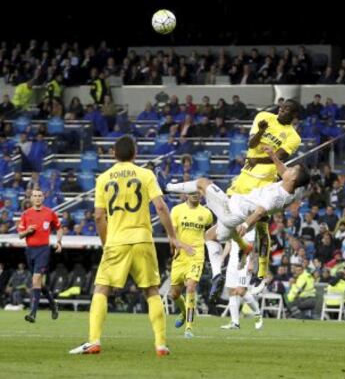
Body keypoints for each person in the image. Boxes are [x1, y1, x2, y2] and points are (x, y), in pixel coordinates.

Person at [69, 135, 193, 356]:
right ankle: (161, 344)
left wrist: (106, 243)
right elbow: (161, 207)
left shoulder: (103, 178)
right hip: (143, 239)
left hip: (116, 241)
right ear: (135, 154)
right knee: (151, 290)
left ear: (114, 154)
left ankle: (94, 341)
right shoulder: (146, 174)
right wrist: (173, 237)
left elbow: (99, 216)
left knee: (102, 288)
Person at [167, 145, 310, 296]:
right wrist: (273, 157)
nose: (288, 168)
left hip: (234, 211)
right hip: (236, 217)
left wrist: (246, 224)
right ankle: (217, 275)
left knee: (203, 183)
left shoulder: (276, 196)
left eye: (292, 169)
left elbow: (260, 211)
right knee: (210, 236)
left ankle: (167, 188)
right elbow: (284, 172)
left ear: (293, 177)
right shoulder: (292, 190)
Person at [226, 99, 301, 285]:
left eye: (287, 109)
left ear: (294, 115)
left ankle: (256, 273)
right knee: (231, 221)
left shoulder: (293, 137)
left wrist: (258, 161)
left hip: (266, 183)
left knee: (260, 227)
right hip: (245, 176)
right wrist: (260, 130)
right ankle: (230, 269)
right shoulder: (264, 116)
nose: (281, 110)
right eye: (281, 106)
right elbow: (252, 145)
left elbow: (279, 158)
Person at [170, 192, 213, 338]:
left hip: (196, 255)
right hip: (180, 255)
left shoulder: (206, 214)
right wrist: (176, 248)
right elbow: (172, 234)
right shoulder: (176, 210)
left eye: (198, 192)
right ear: (185, 194)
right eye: (192, 192)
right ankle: (183, 312)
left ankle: (188, 328)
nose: (195, 194)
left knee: (191, 286)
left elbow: (209, 232)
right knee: (174, 294)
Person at [17, 189, 62, 323]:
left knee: (35, 280)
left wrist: (59, 242)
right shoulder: (26, 214)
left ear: (43, 198)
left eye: (39, 196)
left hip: (43, 250)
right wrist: (27, 231)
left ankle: (33, 313)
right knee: (39, 283)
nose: (37, 198)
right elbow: (20, 235)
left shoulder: (50, 213)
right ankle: (53, 304)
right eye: (35, 196)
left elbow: (59, 228)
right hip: (30, 250)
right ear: (31, 198)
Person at [220, 240, 263, 330]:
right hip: (232, 262)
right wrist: (223, 257)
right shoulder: (231, 226)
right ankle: (235, 323)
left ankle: (257, 313)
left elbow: (253, 245)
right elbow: (229, 243)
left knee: (241, 291)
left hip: (244, 261)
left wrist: (251, 261)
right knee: (232, 291)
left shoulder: (248, 227)